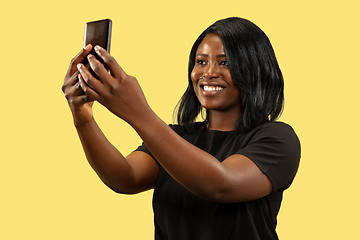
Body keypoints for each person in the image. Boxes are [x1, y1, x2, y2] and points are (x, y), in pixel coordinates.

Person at [62, 17, 301, 240]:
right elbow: (125, 177)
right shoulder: (178, 137)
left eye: (225, 62)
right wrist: (83, 118)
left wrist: (139, 113)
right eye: (201, 62)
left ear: (254, 69)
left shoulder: (277, 138)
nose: (208, 73)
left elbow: (221, 185)